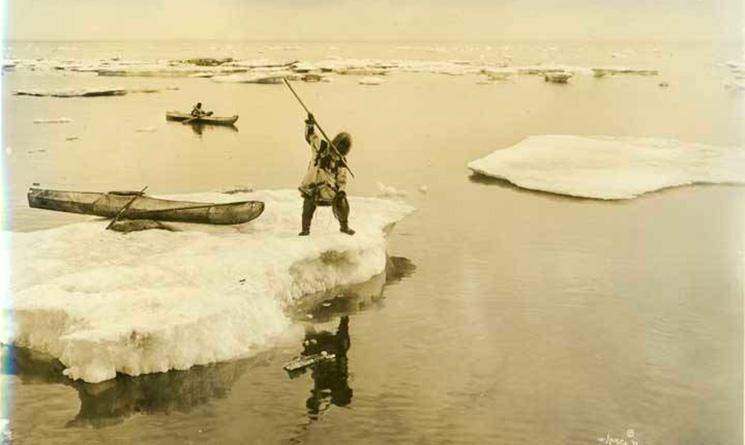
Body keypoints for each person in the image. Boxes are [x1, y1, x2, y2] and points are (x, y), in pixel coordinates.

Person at [298, 112, 354, 236]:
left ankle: (344, 226)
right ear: (336, 141)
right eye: (341, 143)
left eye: (345, 146)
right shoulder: (321, 147)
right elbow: (311, 137)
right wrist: (310, 124)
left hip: (329, 191)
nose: (342, 147)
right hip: (313, 186)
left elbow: (342, 179)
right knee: (308, 204)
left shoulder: (341, 160)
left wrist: (341, 191)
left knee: (342, 201)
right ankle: (305, 230)